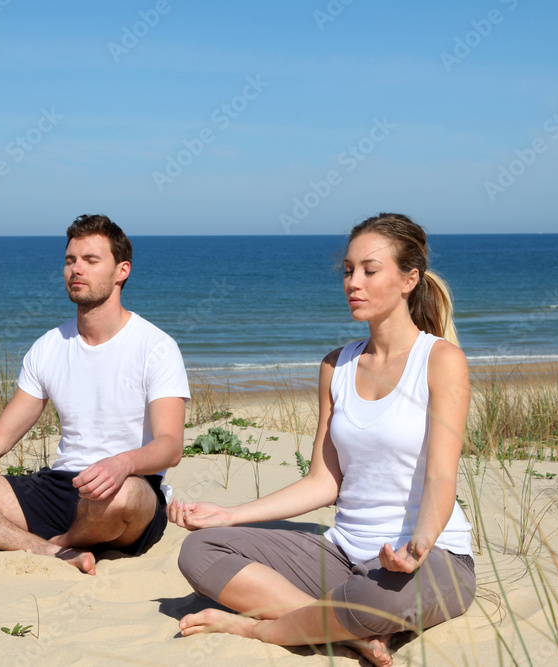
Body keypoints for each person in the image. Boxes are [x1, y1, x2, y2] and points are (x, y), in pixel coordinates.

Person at [168, 213, 475, 666]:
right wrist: (229, 515)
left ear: (409, 279)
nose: (354, 282)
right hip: (343, 552)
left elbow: (440, 475)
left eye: (370, 270)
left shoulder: (441, 360)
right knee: (201, 549)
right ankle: (348, 634)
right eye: (348, 270)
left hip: (430, 557)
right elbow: (323, 482)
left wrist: (417, 547)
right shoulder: (336, 365)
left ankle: (261, 628)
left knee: (381, 600)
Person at [0, 214, 190, 575]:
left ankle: (64, 541)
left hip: (127, 491)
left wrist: (122, 464)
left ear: (122, 271)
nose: (76, 269)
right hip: (60, 488)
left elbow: (170, 446)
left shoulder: (156, 347)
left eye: (91, 260)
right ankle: (45, 550)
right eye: (70, 260)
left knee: (123, 494)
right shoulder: (49, 346)